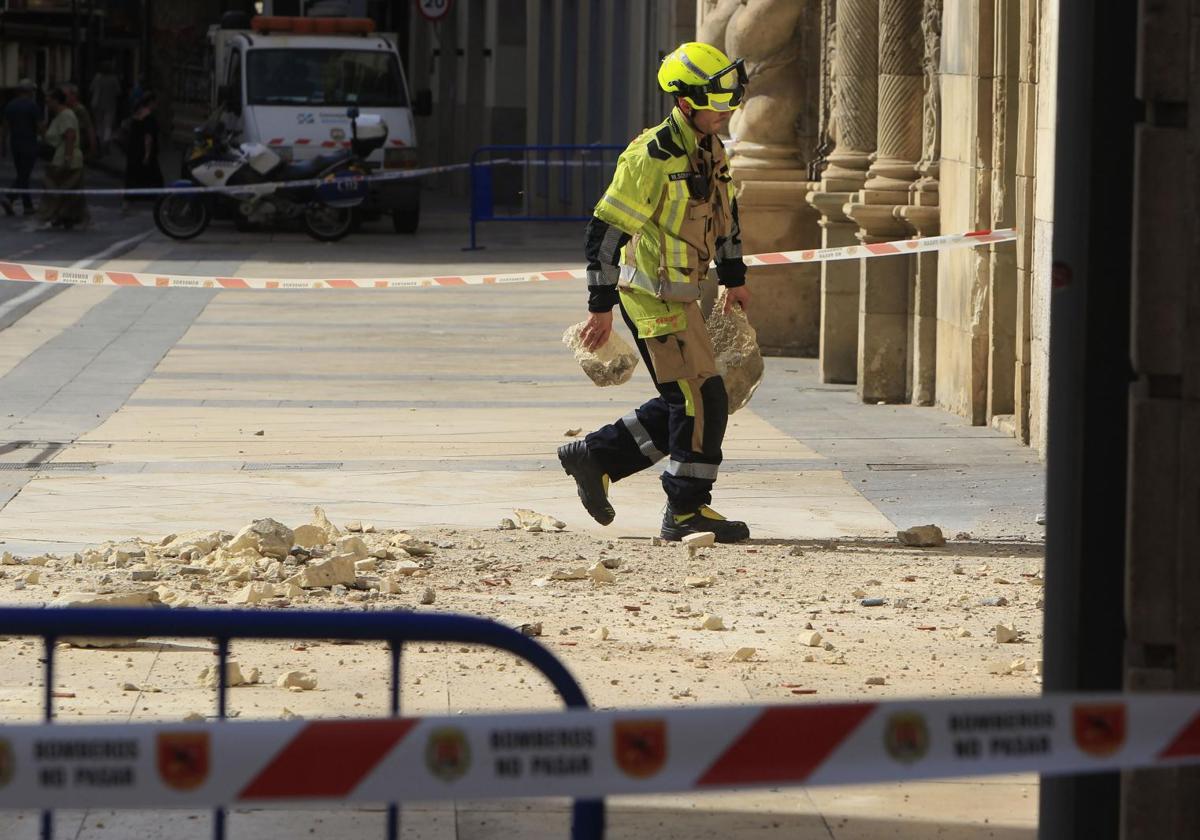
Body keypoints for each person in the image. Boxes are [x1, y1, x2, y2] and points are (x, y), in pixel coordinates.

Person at [558, 42, 753, 543]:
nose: (726, 108)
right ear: (685, 101)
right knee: (699, 399)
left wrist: (734, 276)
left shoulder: (712, 149)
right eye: (716, 99)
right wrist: (600, 308)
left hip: (683, 295)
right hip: (650, 296)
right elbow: (604, 233)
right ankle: (686, 510)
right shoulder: (649, 156)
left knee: (690, 398)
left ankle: (596, 456)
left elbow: (725, 216)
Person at [36, 87, 85, 229]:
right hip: (59, 158)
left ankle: (60, 215)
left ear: (57, 101)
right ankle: (63, 216)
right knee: (64, 191)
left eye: (49, 101)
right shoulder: (58, 116)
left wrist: (67, 159)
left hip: (66, 159)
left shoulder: (66, 115)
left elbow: (70, 136)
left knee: (58, 189)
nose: (47, 104)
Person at [1, 78, 41, 217]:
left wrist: (3, 145)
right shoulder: (32, 106)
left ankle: (27, 205)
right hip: (29, 144)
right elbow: (40, 126)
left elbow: (5, 127)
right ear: (29, 91)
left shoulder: (10, 105)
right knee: (24, 174)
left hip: (15, 143)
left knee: (22, 174)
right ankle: (9, 197)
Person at [122, 92, 162, 212]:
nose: (156, 105)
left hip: (133, 151)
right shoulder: (149, 118)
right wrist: (147, 154)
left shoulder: (136, 114)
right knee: (156, 178)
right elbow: (148, 138)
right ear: (150, 103)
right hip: (143, 152)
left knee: (132, 176)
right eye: (155, 103)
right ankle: (161, 202)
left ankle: (127, 201)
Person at [89, 61, 121, 150]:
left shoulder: (97, 77)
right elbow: (118, 92)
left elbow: (91, 89)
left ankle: (100, 141)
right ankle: (106, 142)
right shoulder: (114, 79)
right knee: (108, 125)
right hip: (110, 104)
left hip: (97, 104)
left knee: (99, 124)